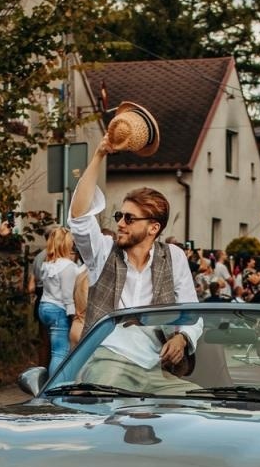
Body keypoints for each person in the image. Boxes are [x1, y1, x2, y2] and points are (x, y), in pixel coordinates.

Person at [67, 133, 202, 347]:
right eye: (119, 216)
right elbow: (79, 217)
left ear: (153, 228)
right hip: (105, 359)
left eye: (129, 218)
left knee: (191, 384)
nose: (120, 223)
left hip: (155, 364)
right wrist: (99, 155)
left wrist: (183, 338)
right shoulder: (102, 253)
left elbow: (192, 313)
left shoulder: (173, 257)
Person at [35, 227, 82, 377]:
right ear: (66, 244)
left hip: (44, 306)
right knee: (59, 352)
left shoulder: (48, 264)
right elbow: (67, 296)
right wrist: (74, 316)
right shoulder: (67, 266)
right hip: (58, 309)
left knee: (52, 349)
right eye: (72, 242)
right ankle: (55, 388)